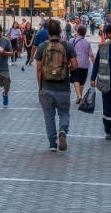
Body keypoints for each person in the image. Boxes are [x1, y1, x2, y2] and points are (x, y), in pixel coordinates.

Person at [36, 19, 76, 150]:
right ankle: (63, 131)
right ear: (60, 31)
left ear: (48, 31)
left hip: (46, 87)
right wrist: (66, 68)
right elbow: (76, 65)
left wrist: (40, 86)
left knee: (49, 116)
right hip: (63, 87)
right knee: (64, 113)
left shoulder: (42, 46)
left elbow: (38, 68)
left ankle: (52, 144)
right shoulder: (67, 45)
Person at [70, 23, 93, 103]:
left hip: (75, 63)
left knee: (76, 79)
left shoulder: (72, 40)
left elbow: (68, 52)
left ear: (78, 32)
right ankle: (79, 96)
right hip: (85, 64)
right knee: (82, 82)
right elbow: (91, 55)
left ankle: (79, 96)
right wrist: (94, 65)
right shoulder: (87, 43)